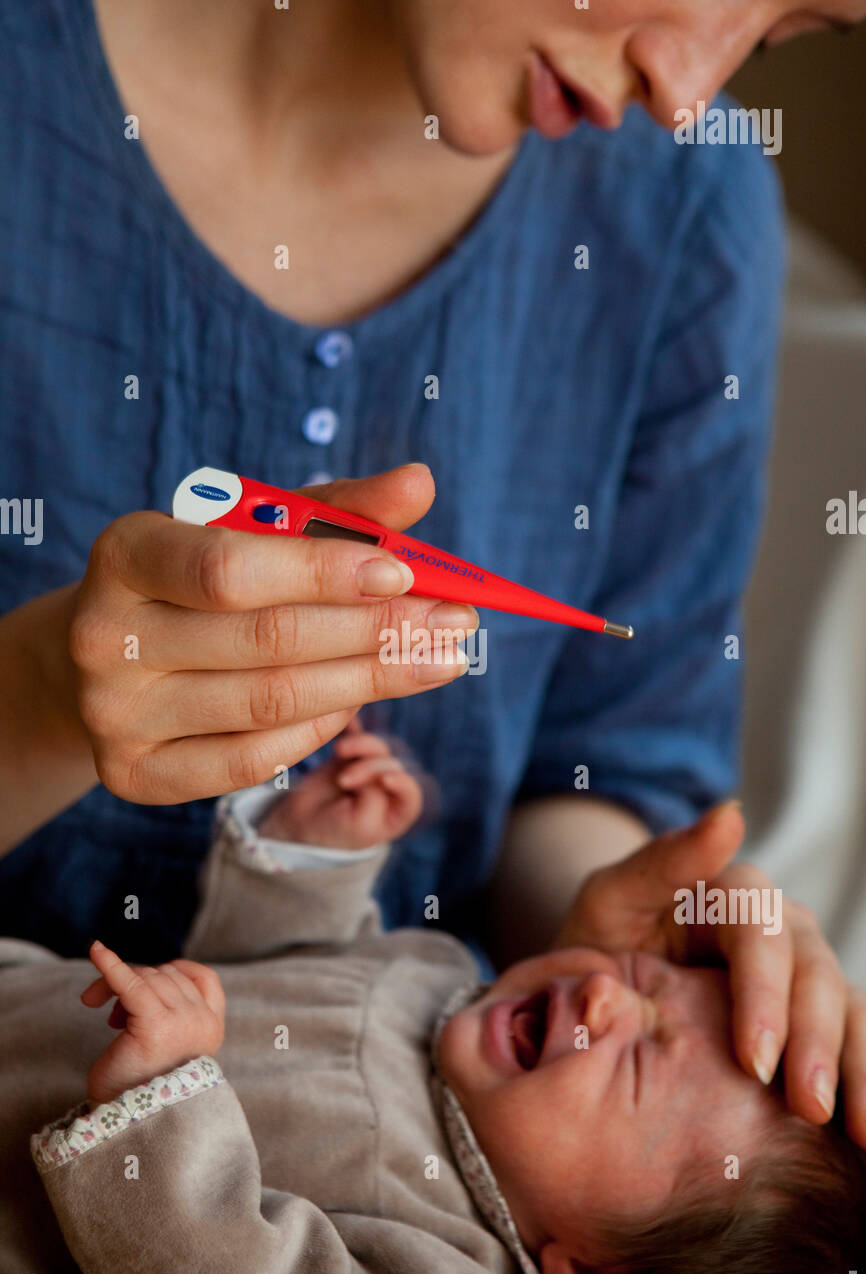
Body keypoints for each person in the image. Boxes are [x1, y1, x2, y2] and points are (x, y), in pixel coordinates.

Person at [0, 4, 861, 1086]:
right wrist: (39, 695)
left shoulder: (687, 205)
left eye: (785, 31)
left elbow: (591, 763)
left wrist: (616, 939)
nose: (686, 86)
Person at [3, 730, 863, 1274]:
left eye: (640, 1065)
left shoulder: (452, 1273)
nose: (609, 995)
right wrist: (312, 861)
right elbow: (271, 972)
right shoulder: (443, 972)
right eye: (649, 977)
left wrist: (162, 1100)